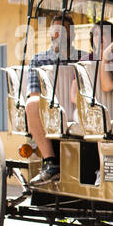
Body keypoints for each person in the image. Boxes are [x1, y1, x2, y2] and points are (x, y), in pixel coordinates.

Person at [25, 13, 78, 184]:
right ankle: (50, 162)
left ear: (73, 34)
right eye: (56, 30)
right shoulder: (38, 60)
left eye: (65, 30)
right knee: (32, 103)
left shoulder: (83, 58)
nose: (60, 34)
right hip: (49, 112)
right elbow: (34, 93)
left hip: (78, 110)